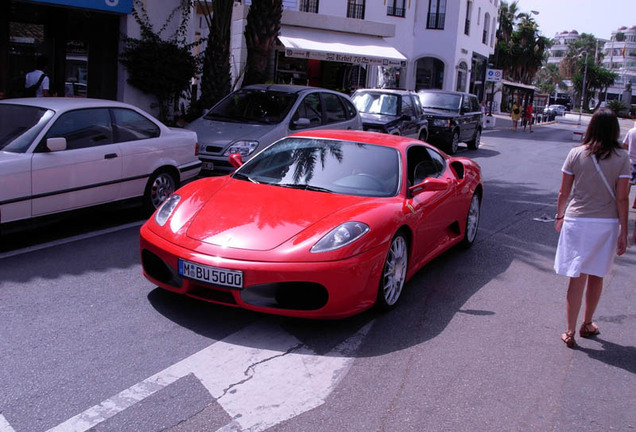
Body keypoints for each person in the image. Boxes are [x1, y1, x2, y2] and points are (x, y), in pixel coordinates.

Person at [554, 108, 630, 348]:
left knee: (576, 277)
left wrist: (559, 216)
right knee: (596, 275)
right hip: (606, 224)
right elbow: (622, 198)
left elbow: (563, 192)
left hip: (576, 221)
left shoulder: (575, 154)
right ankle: (587, 324)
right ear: (615, 130)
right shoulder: (622, 158)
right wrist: (624, 231)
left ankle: (569, 330)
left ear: (591, 127)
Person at [622, 124, 636, 209]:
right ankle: (635, 203)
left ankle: (623, 201)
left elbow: (624, 145)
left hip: (631, 160)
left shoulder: (631, 131)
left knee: (628, 183)